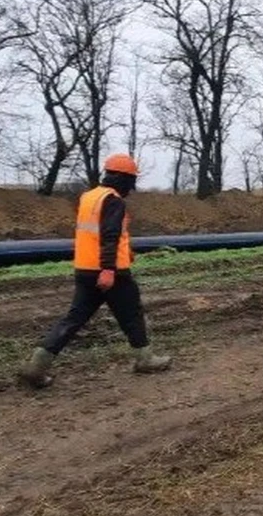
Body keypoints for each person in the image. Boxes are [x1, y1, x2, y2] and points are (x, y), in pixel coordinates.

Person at [20, 154, 171, 388]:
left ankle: (36, 366)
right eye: (131, 180)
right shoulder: (113, 200)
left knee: (73, 319)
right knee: (132, 314)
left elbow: (94, 234)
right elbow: (109, 236)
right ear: (122, 178)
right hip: (111, 272)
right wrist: (109, 269)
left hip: (85, 269)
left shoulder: (89, 197)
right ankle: (145, 359)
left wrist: (124, 252)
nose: (132, 187)